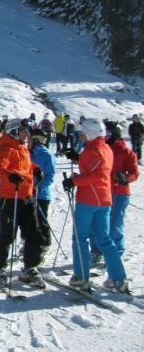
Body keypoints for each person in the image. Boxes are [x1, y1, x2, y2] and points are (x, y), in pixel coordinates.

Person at [62, 118, 130, 293]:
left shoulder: (90, 150)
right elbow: (98, 169)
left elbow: (96, 175)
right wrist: (78, 160)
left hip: (88, 199)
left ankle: (81, 276)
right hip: (104, 198)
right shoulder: (105, 148)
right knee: (104, 239)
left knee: (80, 237)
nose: (80, 136)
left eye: (82, 133)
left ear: (91, 134)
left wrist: (74, 181)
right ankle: (118, 278)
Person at [0, 119, 45, 285]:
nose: (27, 134)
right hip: (10, 196)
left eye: (27, 131)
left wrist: (34, 168)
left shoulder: (22, 148)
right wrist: (10, 175)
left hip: (27, 196)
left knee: (34, 232)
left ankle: (31, 266)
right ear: (14, 131)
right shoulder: (6, 148)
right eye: (23, 131)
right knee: (8, 233)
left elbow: (25, 165)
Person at [90, 122, 139, 262]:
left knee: (114, 223)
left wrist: (126, 178)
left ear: (115, 135)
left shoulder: (126, 152)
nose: (105, 136)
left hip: (119, 192)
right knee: (96, 222)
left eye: (108, 134)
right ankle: (96, 250)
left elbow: (135, 172)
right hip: (101, 191)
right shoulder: (101, 148)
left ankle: (116, 253)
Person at [29, 128, 56, 261]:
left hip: (41, 195)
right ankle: (31, 243)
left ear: (35, 140)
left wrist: (39, 187)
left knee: (41, 221)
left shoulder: (46, 155)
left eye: (29, 139)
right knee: (29, 221)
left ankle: (45, 244)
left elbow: (50, 176)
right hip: (28, 193)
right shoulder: (29, 153)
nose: (27, 141)